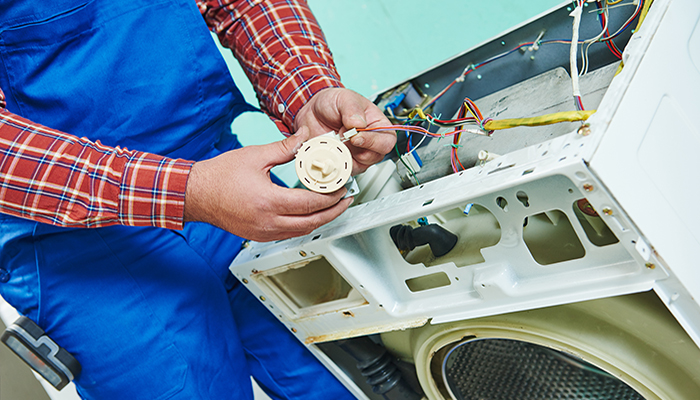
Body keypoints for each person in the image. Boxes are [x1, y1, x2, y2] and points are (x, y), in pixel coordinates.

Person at [0, 0, 395, 399]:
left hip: (223, 172)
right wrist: (189, 191)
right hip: (73, 244)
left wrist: (309, 91)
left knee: (343, 379)